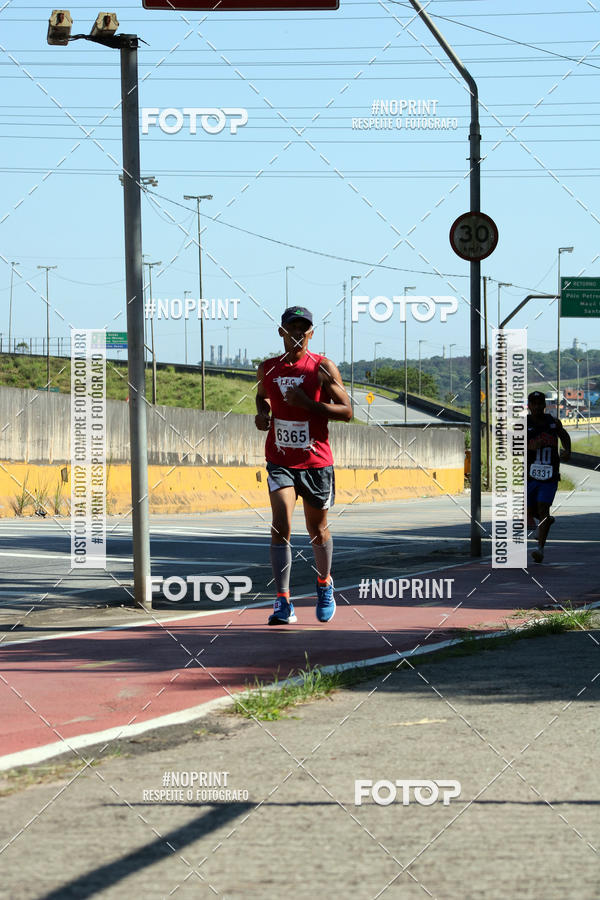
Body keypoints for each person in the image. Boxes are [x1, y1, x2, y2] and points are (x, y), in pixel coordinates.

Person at [254, 307, 352, 624]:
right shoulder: (268, 368)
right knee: (280, 525)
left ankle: (324, 583)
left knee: (317, 530)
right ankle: (283, 601)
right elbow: (262, 396)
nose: (297, 333)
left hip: (315, 462)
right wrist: (263, 413)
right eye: (292, 328)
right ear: (281, 332)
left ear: (311, 333)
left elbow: (347, 411)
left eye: (303, 328)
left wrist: (308, 404)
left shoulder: (322, 367)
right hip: (280, 459)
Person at [527, 390, 571, 564]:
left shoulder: (553, 422)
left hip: (550, 474)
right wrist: (529, 446)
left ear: (545, 405)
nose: (538, 407)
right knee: (532, 511)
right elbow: (513, 447)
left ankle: (540, 549)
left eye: (540, 403)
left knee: (543, 508)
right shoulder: (523, 425)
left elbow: (564, 435)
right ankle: (546, 521)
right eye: (534, 404)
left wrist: (567, 450)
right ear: (529, 406)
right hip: (530, 475)